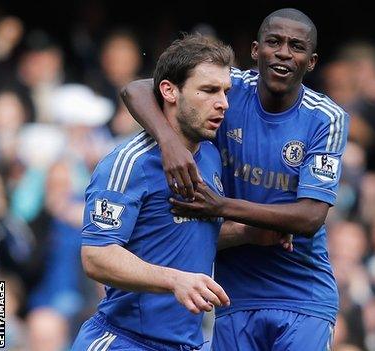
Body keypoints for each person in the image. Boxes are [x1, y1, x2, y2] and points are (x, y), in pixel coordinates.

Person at [122, 8, 349, 350]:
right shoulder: (230, 90)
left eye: (296, 46)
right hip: (233, 295)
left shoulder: (325, 118)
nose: (284, 53)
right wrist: (169, 143)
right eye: (274, 42)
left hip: (302, 293)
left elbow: (310, 217)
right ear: (256, 51)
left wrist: (221, 205)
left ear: (312, 61)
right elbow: (136, 88)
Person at [71, 34, 270, 351]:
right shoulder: (129, 164)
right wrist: (175, 280)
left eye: (225, 91)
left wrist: (246, 233)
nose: (223, 103)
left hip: (184, 344)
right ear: (169, 90)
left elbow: (178, 235)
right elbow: (97, 256)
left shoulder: (211, 156)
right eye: (208, 91)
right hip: (124, 341)